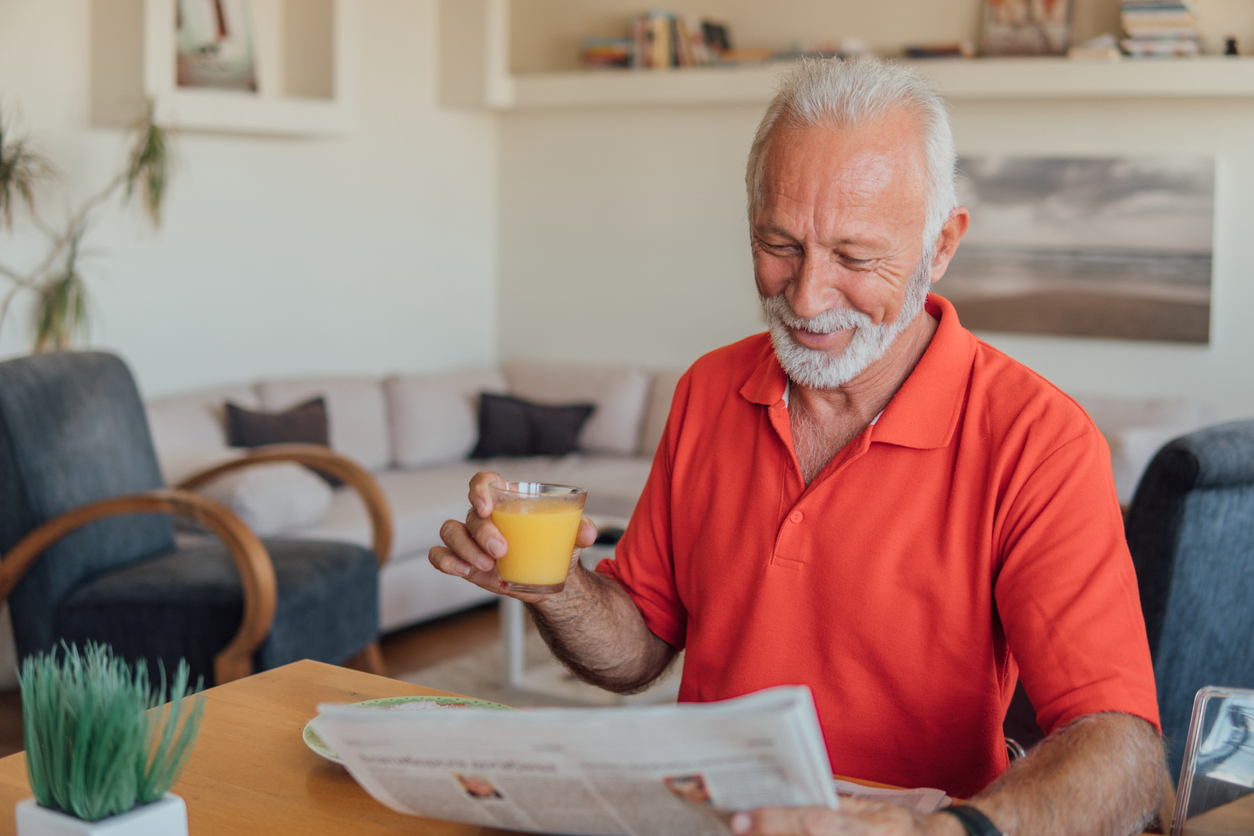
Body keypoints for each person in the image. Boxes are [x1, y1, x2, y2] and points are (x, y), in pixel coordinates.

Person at [432, 58, 1168, 836]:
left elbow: (1122, 749)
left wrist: (944, 832)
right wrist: (552, 584)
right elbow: (639, 647)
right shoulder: (708, 391)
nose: (808, 297)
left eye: (854, 257)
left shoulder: (1037, 440)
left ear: (941, 245)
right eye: (778, 243)